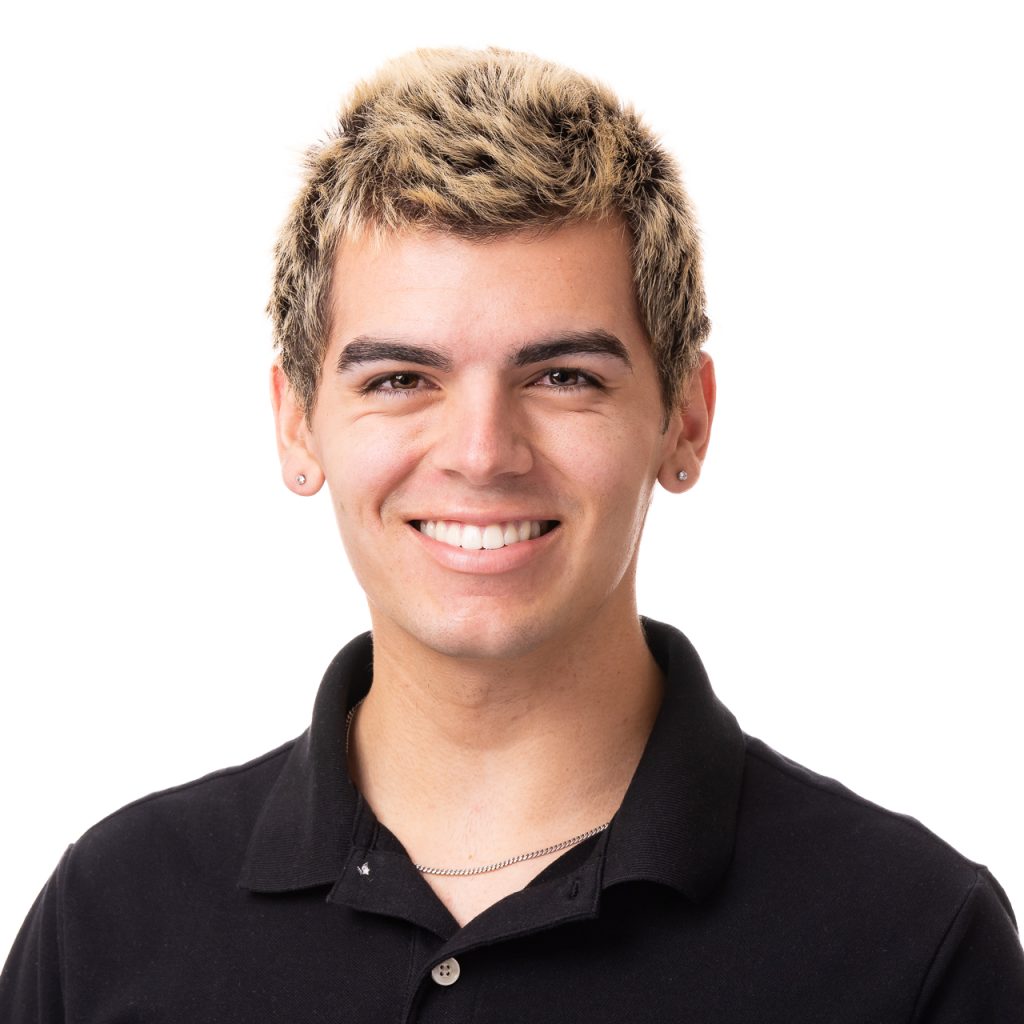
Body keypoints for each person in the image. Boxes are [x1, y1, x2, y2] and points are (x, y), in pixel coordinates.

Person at [2, 46, 1022, 1023]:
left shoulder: (913, 946)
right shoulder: (110, 921)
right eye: (400, 378)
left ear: (686, 420)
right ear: (296, 424)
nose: (482, 453)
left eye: (563, 377)